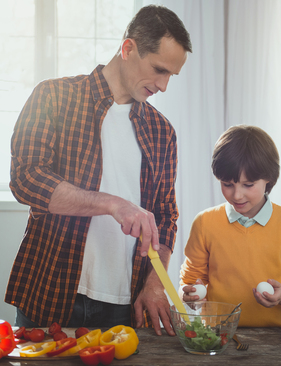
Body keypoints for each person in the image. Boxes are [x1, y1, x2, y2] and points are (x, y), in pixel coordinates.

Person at [6, 5, 192, 336]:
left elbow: (165, 219)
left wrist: (154, 283)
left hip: (124, 306)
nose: (163, 85)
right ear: (128, 48)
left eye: (171, 76)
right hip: (51, 293)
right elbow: (26, 179)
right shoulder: (54, 96)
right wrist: (111, 203)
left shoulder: (163, 132)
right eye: (158, 70)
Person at [179, 125, 281, 327]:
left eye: (248, 185)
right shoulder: (204, 223)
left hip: (278, 341)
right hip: (218, 336)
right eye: (227, 184)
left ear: (269, 177)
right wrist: (191, 295)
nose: (236, 195)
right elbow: (187, 286)